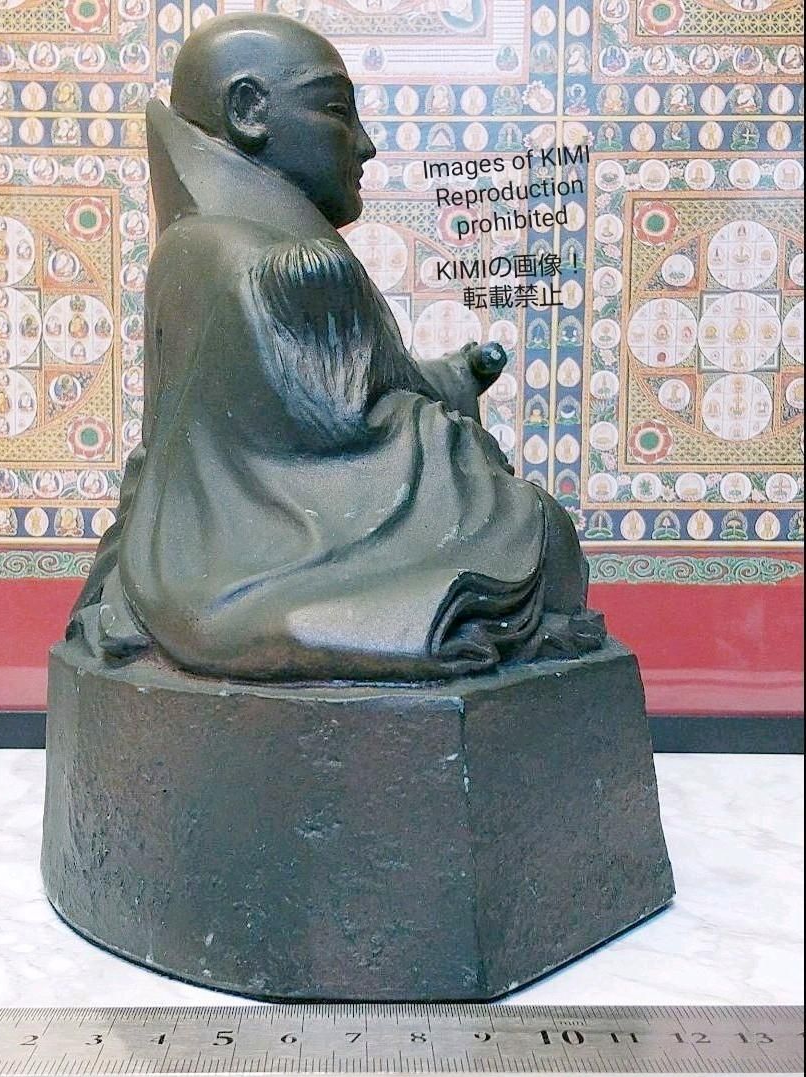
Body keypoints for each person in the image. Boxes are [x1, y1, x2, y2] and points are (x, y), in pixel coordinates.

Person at [70, 13, 603, 681]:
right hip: (270, 563)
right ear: (248, 111)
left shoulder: (190, 248)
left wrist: (448, 381)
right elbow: (350, 435)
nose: (366, 145)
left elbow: (327, 410)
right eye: (336, 112)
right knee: (536, 528)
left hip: (181, 560)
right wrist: (443, 421)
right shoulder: (279, 264)